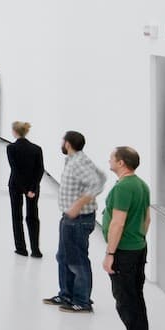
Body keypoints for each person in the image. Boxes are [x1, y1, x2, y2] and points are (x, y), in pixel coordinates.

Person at [47, 131, 107, 316]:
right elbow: (102, 176)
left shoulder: (78, 163)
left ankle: (82, 301)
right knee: (64, 257)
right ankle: (66, 295)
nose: (61, 143)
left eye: (62, 141)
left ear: (68, 144)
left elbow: (97, 183)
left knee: (77, 260)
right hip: (69, 218)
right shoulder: (75, 160)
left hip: (78, 220)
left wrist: (79, 204)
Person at [100, 146, 152, 330]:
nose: (109, 160)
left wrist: (110, 254)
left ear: (121, 162)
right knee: (135, 296)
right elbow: (147, 219)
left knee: (126, 299)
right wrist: (138, 239)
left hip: (124, 252)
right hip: (138, 248)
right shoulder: (141, 185)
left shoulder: (123, 188)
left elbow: (117, 223)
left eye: (112, 158)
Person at [6, 121, 45, 257]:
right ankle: (35, 249)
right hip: (33, 187)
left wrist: (24, 189)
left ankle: (21, 248)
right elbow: (40, 170)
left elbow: (15, 170)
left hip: (16, 186)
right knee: (33, 216)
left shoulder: (11, 148)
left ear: (14, 132)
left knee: (17, 216)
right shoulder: (37, 149)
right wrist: (32, 189)